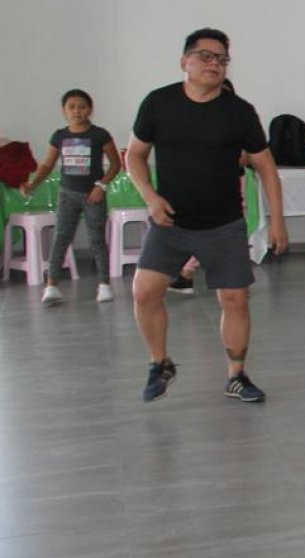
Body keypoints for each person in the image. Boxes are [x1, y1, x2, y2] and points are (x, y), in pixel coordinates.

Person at [126, 28, 288, 403]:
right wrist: (149, 195)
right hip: (170, 222)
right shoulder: (158, 103)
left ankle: (237, 375)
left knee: (234, 299)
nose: (214, 64)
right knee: (144, 291)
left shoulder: (239, 112)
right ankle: (159, 363)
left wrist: (277, 220)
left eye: (222, 59)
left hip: (224, 225)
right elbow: (133, 155)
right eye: (205, 56)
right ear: (185, 61)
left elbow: (266, 167)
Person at [20, 89, 121, 304]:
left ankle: (104, 284)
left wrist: (101, 186)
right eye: (72, 107)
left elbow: (115, 163)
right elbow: (47, 165)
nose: (77, 111)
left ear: (90, 109)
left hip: (93, 195)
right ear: (64, 111)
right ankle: (51, 286)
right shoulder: (60, 136)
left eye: (82, 106)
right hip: (67, 195)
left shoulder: (99, 134)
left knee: (97, 240)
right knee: (61, 238)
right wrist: (32, 184)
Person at [169, 78, 247, 295]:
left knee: (226, 232)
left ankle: (194, 274)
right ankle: (188, 273)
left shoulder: (238, 118)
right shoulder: (193, 119)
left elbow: (247, 157)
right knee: (200, 231)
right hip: (199, 190)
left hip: (229, 187)